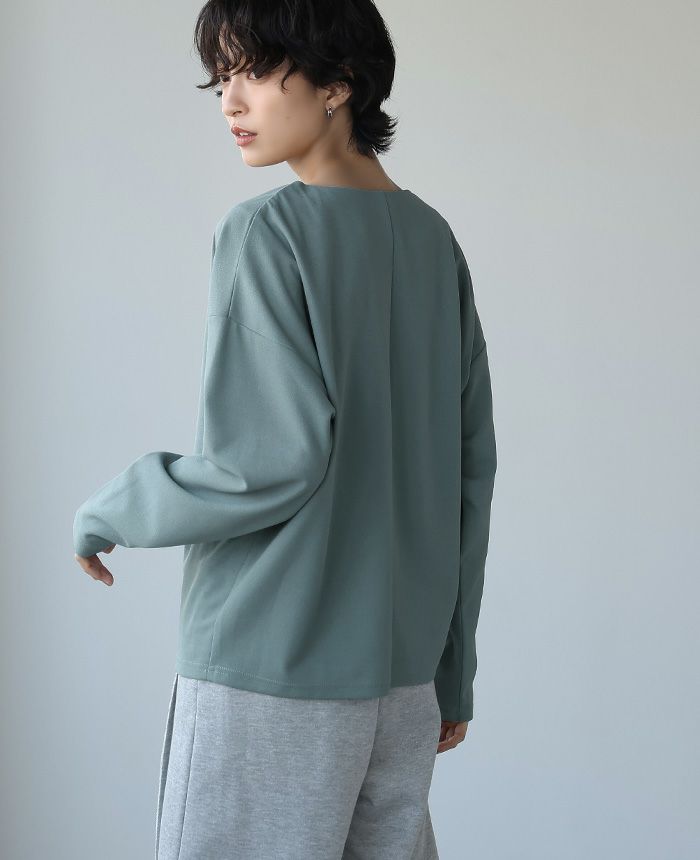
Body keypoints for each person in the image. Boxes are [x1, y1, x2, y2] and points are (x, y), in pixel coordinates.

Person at [72, 1, 498, 857]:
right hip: (404, 681)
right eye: (222, 77)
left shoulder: (267, 231)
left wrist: (114, 507)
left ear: (339, 84)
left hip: (273, 667)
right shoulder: (432, 240)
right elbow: (468, 472)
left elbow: (264, 465)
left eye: (256, 73)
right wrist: (451, 669)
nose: (230, 102)